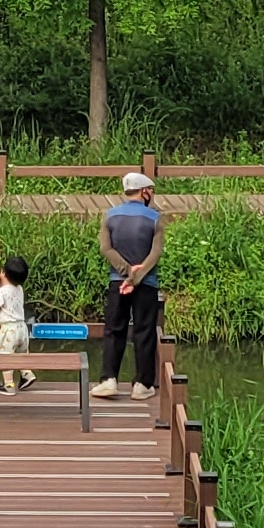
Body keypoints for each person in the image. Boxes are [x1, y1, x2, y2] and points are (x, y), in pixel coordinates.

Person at [94, 165, 162, 400]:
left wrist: (125, 272)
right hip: (147, 283)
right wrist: (136, 277)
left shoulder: (109, 216)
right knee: (144, 331)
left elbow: (106, 248)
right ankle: (142, 384)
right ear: (144, 191)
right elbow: (155, 254)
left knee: (114, 329)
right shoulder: (155, 218)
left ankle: (108, 380)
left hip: (117, 282)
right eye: (151, 190)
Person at [0, 253, 38, 387]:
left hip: (9, 330)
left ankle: (8, 385)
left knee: (5, 357)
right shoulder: (19, 289)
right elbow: (10, 287)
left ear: (3, 273)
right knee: (21, 354)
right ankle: (27, 374)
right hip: (22, 328)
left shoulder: (1, 292)